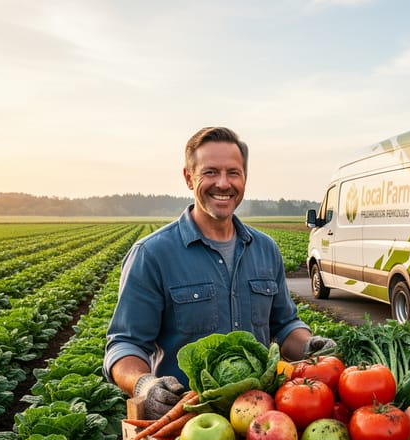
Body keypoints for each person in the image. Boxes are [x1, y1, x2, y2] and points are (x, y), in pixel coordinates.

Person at [103, 126, 335, 419]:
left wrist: (308, 345)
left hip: (261, 417)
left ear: (244, 179)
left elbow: (285, 324)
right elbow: (125, 344)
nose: (223, 184)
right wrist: (144, 384)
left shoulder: (265, 249)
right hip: (184, 419)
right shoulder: (152, 254)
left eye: (233, 173)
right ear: (189, 178)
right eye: (210, 172)